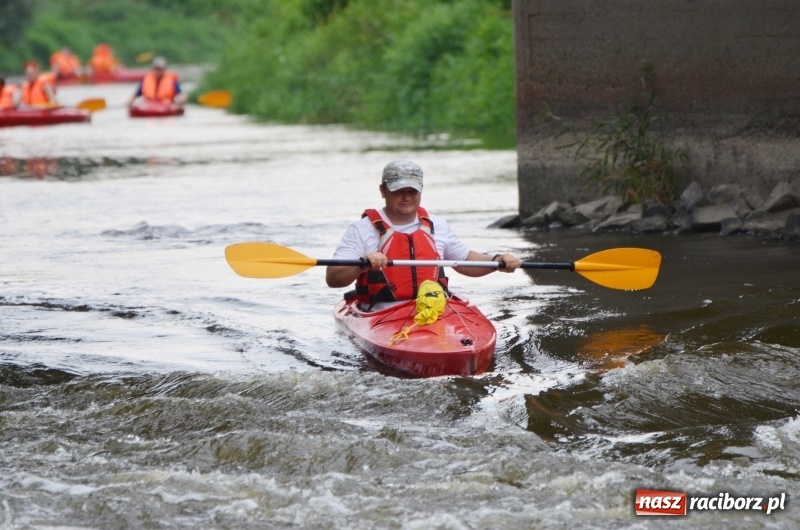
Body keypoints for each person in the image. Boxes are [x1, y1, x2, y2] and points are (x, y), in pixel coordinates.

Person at [326, 160, 522, 310]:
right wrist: (362, 263)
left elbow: (464, 261)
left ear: (421, 191)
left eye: (412, 190)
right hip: (381, 314)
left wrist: (497, 261)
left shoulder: (436, 224)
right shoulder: (362, 229)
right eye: (398, 191)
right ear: (383, 191)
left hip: (433, 310)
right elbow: (333, 278)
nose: (406, 197)